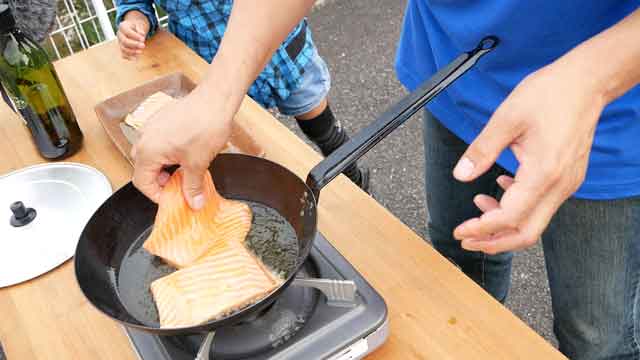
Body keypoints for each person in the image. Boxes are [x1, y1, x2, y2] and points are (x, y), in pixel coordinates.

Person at [127, 1, 640, 359]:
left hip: (603, 113)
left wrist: (593, 81)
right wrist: (218, 93)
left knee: (596, 334)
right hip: (456, 71)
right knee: (459, 261)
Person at [115, 0, 369, 200]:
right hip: (214, 72)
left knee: (322, 127)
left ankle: (355, 181)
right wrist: (134, 18)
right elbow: (133, 3)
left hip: (286, 59)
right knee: (256, 145)